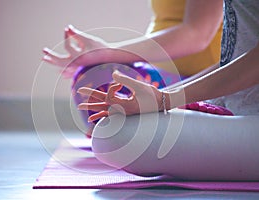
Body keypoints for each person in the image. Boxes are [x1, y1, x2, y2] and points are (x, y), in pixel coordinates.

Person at [76, 0, 259, 180]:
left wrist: (167, 99)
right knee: (111, 129)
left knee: (114, 137)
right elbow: (231, 60)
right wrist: (154, 99)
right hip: (233, 106)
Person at [43, 0, 225, 136]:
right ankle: (130, 132)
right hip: (159, 78)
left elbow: (196, 35)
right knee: (95, 75)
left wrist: (107, 52)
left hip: (205, 83)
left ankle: (138, 132)